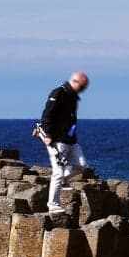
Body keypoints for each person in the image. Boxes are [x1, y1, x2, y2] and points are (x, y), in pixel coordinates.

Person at [34, 71, 90, 218]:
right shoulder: (58, 93)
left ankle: (64, 181)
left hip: (71, 140)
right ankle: (53, 205)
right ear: (75, 82)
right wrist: (47, 134)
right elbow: (47, 114)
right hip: (56, 140)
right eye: (83, 86)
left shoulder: (73, 97)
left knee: (82, 165)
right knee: (57, 172)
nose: (83, 89)